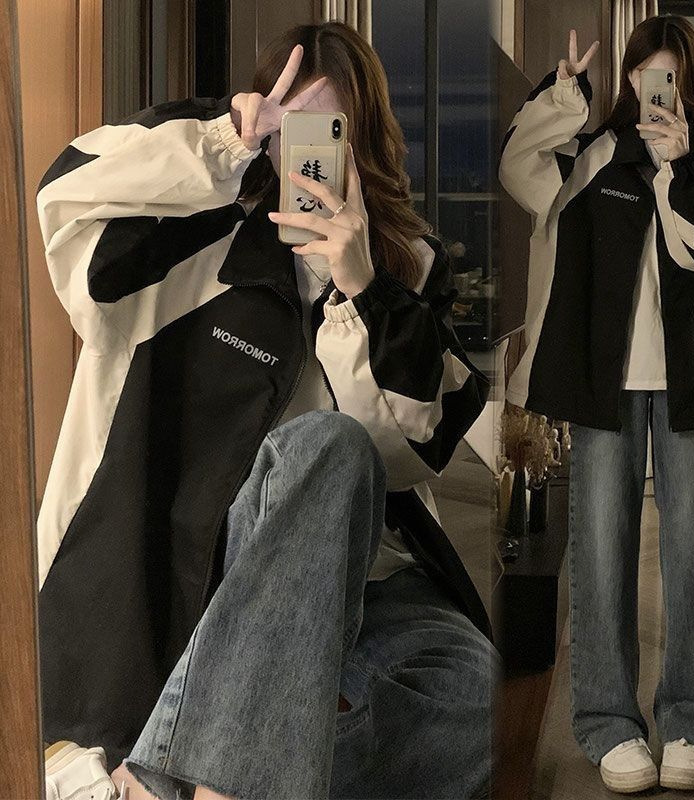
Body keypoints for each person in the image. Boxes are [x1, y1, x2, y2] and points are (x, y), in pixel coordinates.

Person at [37, 22, 498, 800]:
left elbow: (404, 454)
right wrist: (221, 137)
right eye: (290, 124)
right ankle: (216, 774)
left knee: (470, 703)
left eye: (330, 129)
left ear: (363, 141)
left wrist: (359, 290)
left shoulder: (402, 268)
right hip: (196, 572)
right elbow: (64, 196)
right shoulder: (180, 245)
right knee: (329, 445)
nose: (306, 150)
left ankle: (177, 777)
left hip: (364, 578)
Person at [499, 16, 694, 795]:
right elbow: (519, 169)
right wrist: (562, 96)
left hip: (691, 378)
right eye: (645, 76)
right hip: (601, 380)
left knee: (693, 551)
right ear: (628, 80)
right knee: (602, 550)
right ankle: (608, 721)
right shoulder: (594, 155)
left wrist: (680, 166)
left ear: (689, 83)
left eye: (669, 78)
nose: (657, 92)